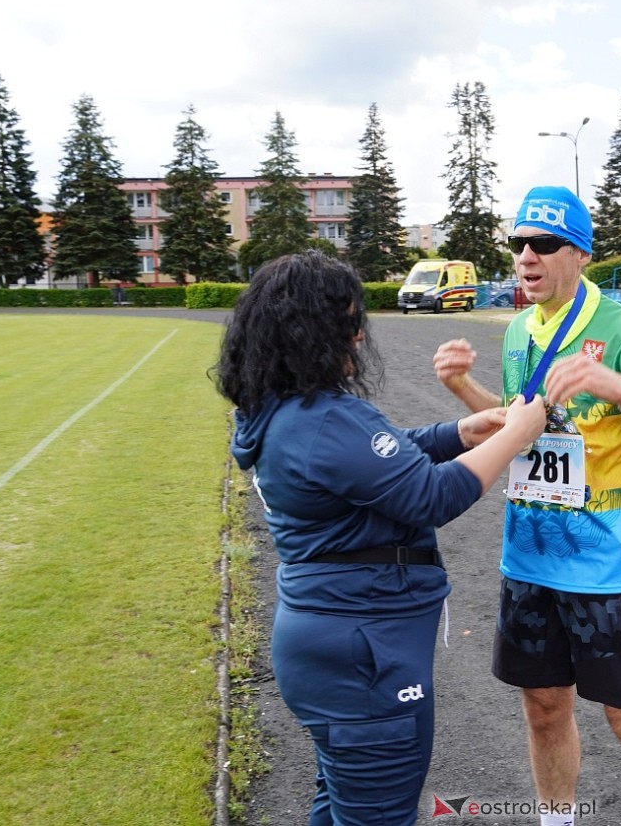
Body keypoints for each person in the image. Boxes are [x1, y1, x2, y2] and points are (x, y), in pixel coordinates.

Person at [215, 251, 545, 825]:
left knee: (341, 803)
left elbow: (381, 463)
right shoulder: (321, 420)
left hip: (330, 646)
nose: (359, 334)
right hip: (363, 659)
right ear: (312, 331)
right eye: (349, 322)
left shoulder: (283, 412)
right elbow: (430, 497)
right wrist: (516, 434)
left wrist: (461, 430)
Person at [433, 186, 621, 826]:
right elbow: (519, 429)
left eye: (544, 244)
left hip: (610, 567)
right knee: (544, 708)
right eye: (518, 244)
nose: (527, 256)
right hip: (530, 560)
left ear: (579, 254)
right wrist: (461, 387)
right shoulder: (518, 333)